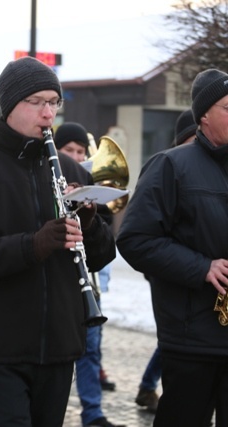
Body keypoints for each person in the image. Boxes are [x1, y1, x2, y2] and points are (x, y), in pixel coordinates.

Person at [0, 56, 117, 427]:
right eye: (36, 102)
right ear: (9, 106)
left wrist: (90, 222)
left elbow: (101, 256)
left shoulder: (73, 171)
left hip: (59, 344)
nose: (48, 113)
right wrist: (33, 244)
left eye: (53, 102)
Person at [117, 68, 228, 427]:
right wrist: (202, 267)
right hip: (191, 338)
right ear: (204, 115)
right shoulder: (170, 165)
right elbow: (135, 239)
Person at [54, 122, 122, 427]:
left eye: (81, 152)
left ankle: (93, 413)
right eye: (68, 150)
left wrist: (91, 214)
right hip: (54, 288)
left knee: (91, 350)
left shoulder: (88, 186)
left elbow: (105, 245)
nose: (76, 157)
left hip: (86, 286)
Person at [132, 107, 198, 415]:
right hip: (173, 282)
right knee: (174, 343)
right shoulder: (168, 167)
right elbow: (142, 239)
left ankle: (147, 385)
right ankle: (148, 386)